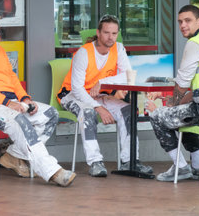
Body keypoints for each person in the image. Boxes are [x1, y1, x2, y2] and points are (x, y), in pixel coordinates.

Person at [0, 5, 76, 187]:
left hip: (7, 102)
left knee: (50, 115)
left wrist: (24, 98)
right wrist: (8, 103)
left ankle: (13, 155)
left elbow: (11, 78)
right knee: (20, 121)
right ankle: (52, 171)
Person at [145, 4, 199, 182]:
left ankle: (181, 167)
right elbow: (198, 88)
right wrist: (173, 101)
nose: (183, 25)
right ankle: (198, 167)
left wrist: (170, 104)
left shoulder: (194, 43)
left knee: (156, 115)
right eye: (180, 22)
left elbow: (183, 82)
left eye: (188, 20)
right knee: (181, 114)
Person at [58, 14, 153, 177]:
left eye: (114, 33)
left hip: (100, 94)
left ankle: (129, 162)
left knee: (128, 111)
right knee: (87, 113)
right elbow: (77, 89)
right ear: (98, 33)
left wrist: (102, 82)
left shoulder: (119, 48)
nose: (111, 37)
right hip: (73, 95)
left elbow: (127, 75)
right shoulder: (84, 53)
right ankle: (95, 162)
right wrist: (99, 108)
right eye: (107, 33)